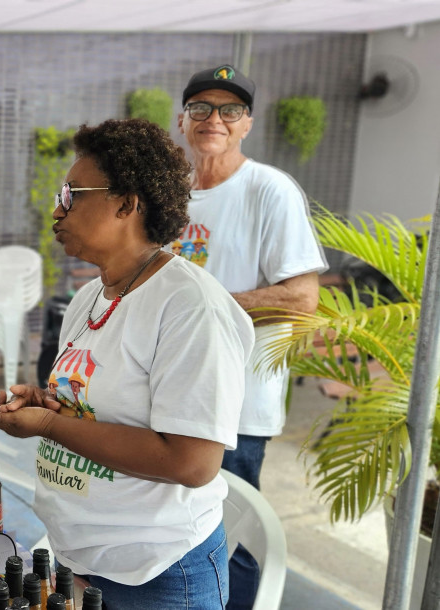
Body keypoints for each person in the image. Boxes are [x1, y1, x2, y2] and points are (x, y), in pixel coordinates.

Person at [0, 119, 255, 608]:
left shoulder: (191, 307)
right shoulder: (91, 297)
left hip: (157, 575)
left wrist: (47, 423)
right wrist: (51, 403)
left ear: (126, 203)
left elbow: (192, 462)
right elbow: (97, 410)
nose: (56, 210)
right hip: (81, 558)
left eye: (71, 194)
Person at [176, 65, 326, 609]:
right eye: (201, 108)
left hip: (235, 404)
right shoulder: (172, 193)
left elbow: (302, 297)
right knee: (176, 533)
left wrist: (208, 308)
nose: (214, 119)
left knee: (229, 541)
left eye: (229, 110)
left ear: (247, 124)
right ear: (182, 120)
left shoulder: (269, 190)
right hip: (171, 398)